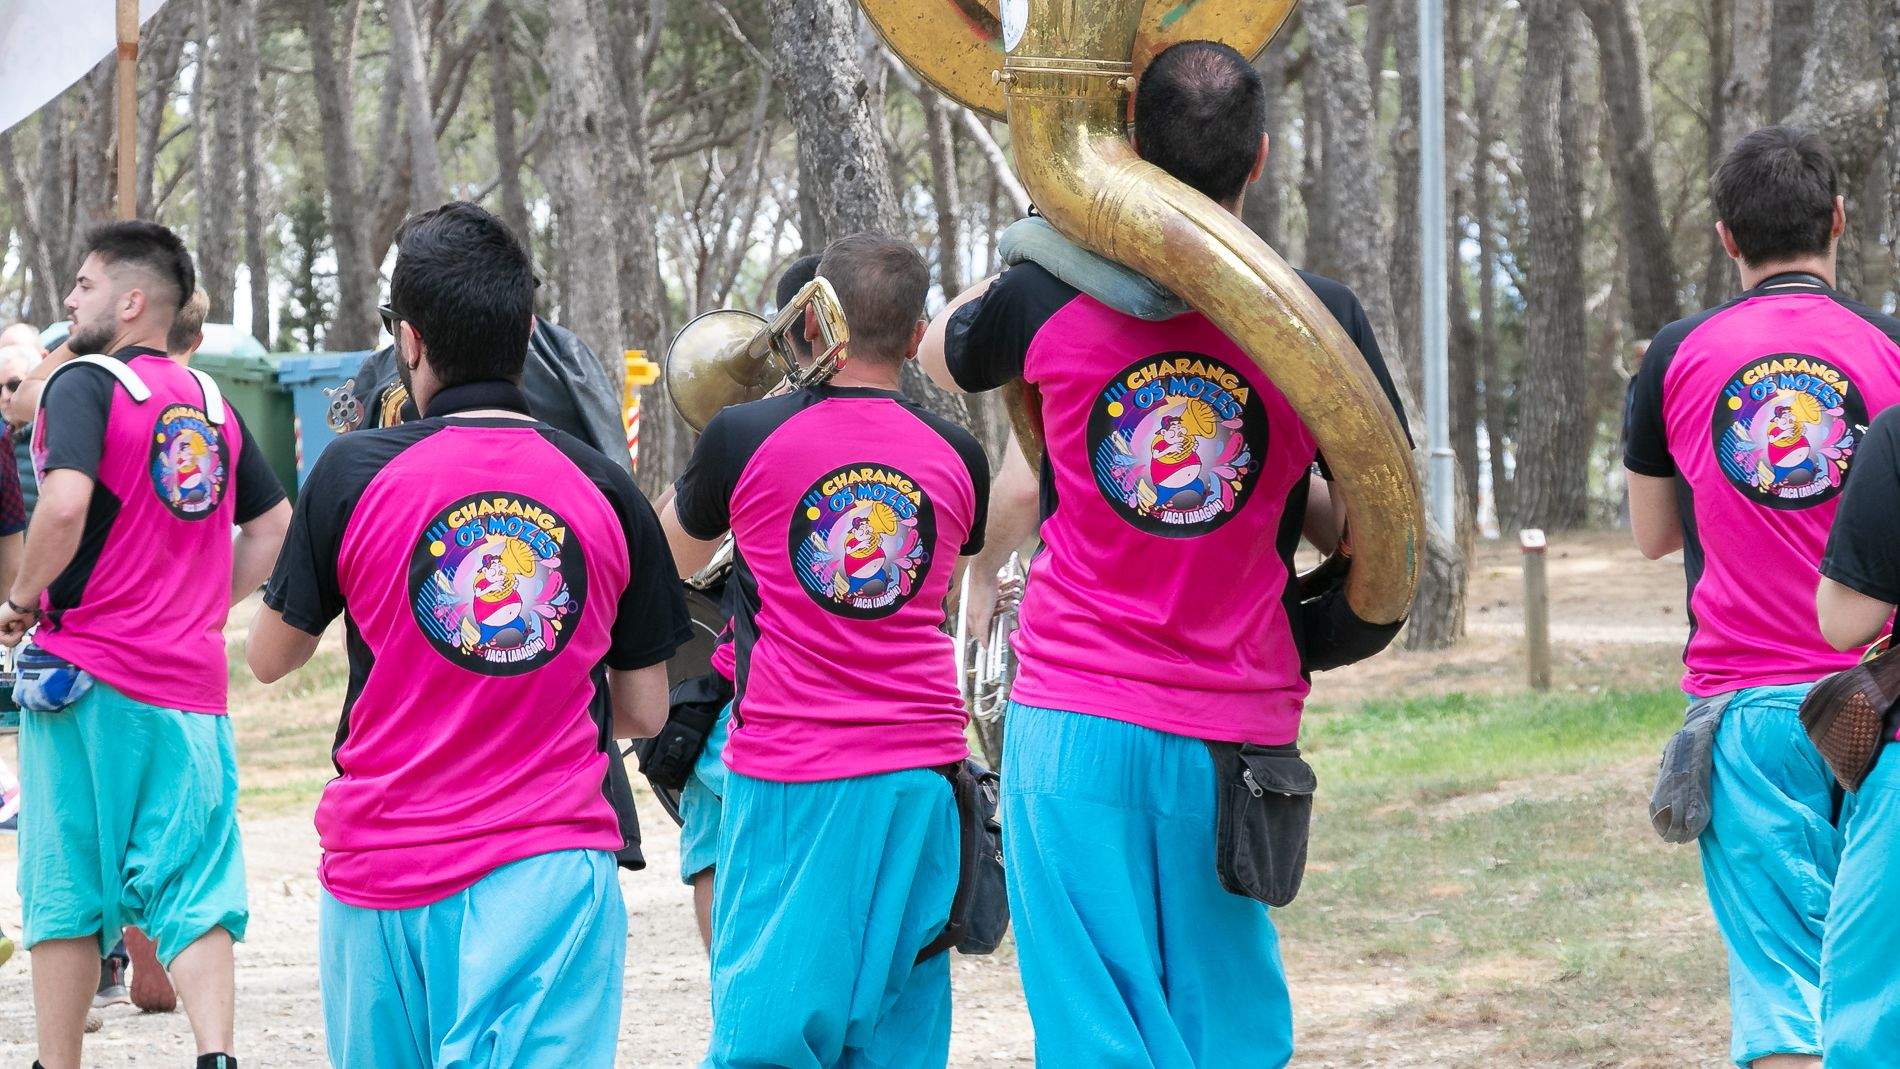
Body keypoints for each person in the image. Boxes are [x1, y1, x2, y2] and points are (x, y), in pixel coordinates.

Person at [919, 41, 1407, 1066]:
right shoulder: (1321, 319)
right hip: (1235, 730)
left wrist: (1054, 226)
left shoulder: (1040, 297)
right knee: (1227, 1034)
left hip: (1073, 723)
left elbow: (937, 349)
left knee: (1096, 1033)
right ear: (1260, 158)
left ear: (1131, 151)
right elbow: (1375, 534)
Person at [246, 201, 689, 1069]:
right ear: (526, 331)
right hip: (548, 872)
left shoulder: (349, 471)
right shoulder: (606, 488)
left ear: (408, 340)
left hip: (381, 878)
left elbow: (268, 657)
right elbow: (642, 709)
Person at [660, 232, 989, 1068]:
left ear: (819, 313)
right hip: (925, 777)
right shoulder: (962, 454)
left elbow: (669, 564)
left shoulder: (740, 435)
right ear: (917, 334)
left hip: (796, 774)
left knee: (765, 1039)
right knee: (899, 1036)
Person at [1623, 127, 1900, 1069]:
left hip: (1750, 717)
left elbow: (1656, 533)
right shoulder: (1891, 347)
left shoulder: (1674, 353)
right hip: (1883, 700)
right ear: (1837, 221)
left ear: (1724, 238)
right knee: (1877, 988)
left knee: (1784, 988)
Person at [0, 221, 290, 1069]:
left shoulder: (83, 383)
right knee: (195, 880)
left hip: (84, 676)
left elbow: (61, 507)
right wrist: (202, 602)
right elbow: (272, 525)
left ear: (130, 301)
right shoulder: (209, 402)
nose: (69, 298)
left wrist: (20, 601)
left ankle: (58, 1064)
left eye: (84, 284)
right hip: (190, 688)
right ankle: (216, 1054)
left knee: (66, 882)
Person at [674, 251, 821, 950]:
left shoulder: (747, 434)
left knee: (713, 839)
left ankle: (730, 986)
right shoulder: (919, 431)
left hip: (758, 694)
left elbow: (672, 555)